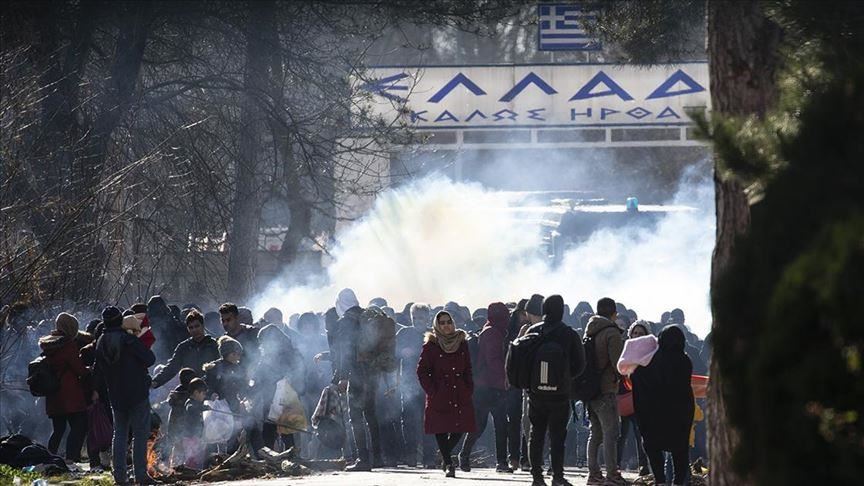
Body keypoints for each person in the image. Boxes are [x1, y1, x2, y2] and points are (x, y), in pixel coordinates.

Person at [524, 295, 585, 486]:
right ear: (562, 311)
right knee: (558, 436)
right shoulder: (569, 334)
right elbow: (580, 364)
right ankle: (557, 476)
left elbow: (523, 361)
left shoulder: (533, 331)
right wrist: (565, 378)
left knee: (536, 434)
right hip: (560, 393)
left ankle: (537, 477)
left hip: (536, 392)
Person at [94, 305, 157, 485]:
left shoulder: (100, 342)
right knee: (140, 434)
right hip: (137, 392)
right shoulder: (128, 340)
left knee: (119, 434)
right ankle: (141, 475)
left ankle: (120, 477)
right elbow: (150, 359)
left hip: (116, 394)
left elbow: (97, 371)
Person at [631, 326, 694, 486]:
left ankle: (660, 480)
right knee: (680, 449)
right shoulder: (685, 360)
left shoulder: (652, 360)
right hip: (680, 414)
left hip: (655, 414)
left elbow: (637, 377)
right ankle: (678, 482)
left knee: (653, 446)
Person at [417, 310, 476, 478]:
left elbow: (468, 368)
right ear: (437, 325)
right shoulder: (431, 345)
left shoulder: (461, 342)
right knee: (441, 428)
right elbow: (422, 371)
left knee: (460, 427)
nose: (446, 326)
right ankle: (449, 464)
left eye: (448, 322)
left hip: (460, 391)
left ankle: (444, 454)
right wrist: (432, 390)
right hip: (440, 392)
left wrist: (468, 387)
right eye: (442, 323)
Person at [329, 288, 382, 471]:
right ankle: (378, 458)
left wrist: (342, 377)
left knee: (356, 417)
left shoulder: (346, 321)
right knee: (371, 415)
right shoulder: (367, 316)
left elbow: (345, 352)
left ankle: (363, 459)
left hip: (357, 375)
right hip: (373, 373)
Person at [459, 302, 511, 473]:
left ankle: (468, 456)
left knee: (488, 425)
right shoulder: (492, 333)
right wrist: (505, 379)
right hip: (490, 387)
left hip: (485, 386)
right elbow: (493, 360)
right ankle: (498, 461)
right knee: (492, 425)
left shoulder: (491, 330)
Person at [585, 297, 626, 486]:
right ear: (614, 313)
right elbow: (618, 364)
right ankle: (612, 475)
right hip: (606, 389)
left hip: (590, 390)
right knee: (611, 433)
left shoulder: (590, 330)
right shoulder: (611, 333)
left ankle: (593, 474)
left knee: (595, 434)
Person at [38, 312, 90, 464]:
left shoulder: (48, 344)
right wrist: (89, 370)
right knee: (79, 426)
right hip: (69, 394)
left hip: (53, 393)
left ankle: (49, 457)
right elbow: (79, 369)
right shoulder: (68, 345)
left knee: (58, 429)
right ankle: (71, 458)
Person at [396, 302, 437, 468]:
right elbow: (394, 355)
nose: (417, 320)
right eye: (414, 317)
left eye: (421, 317)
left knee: (430, 421)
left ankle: (429, 458)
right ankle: (411, 456)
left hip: (429, 385)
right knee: (409, 421)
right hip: (409, 384)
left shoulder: (434, 335)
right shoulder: (404, 333)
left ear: (427, 318)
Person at [151, 310, 219, 389]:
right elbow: (172, 368)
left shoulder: (214, 345)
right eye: (191, 327)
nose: (194, 330)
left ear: (203, 326)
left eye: (197, 326)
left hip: (211, 388)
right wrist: (156, 381)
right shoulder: (183, 347)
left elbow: (222, 368)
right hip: (190, 389)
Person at [618, 322, 650, 476]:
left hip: (641, 400)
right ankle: (615, 466)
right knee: (620, 435)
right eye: (635, 333)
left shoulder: (649, 352)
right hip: (622, 398)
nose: (637, 336)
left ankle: (644, 466)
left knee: (640, 435)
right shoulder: (624, 349)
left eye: (640, 333)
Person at [506, 298, 530, 471]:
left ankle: (526, 458)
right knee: (514, 420)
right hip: (513, 381)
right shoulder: (509, 330)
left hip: (528, 381)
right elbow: (509, 355)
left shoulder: (536, 329)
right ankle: (513, 457)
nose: (525, 317)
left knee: (528, 421)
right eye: (522, 314)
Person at [203, 336, 248, 414]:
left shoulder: (239, 369)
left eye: (239, 355)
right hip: (219, 408)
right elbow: (206, 386)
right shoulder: (215, 368)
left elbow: (242, 386)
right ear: (226, 354)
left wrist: (245, 397)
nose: (237, 357)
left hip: (235, 405)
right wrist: (211, 394)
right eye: (234, 354)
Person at [219, 303, 259, 373]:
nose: (225, 324)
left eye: (228, 320)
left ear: (237, 318)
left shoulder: (252, 333)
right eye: (223, 321)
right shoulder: (223, 341)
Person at [182, 378, 210, 469]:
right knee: (191, 459)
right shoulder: (190, 403)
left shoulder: (197, 403)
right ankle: (190, 473)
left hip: (197, 436)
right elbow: (191, 408)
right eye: (203, 393)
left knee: (199, 459)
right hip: (190, 437)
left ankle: (198, 472)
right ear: (196, 392)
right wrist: (203, 407)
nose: (204, 396)